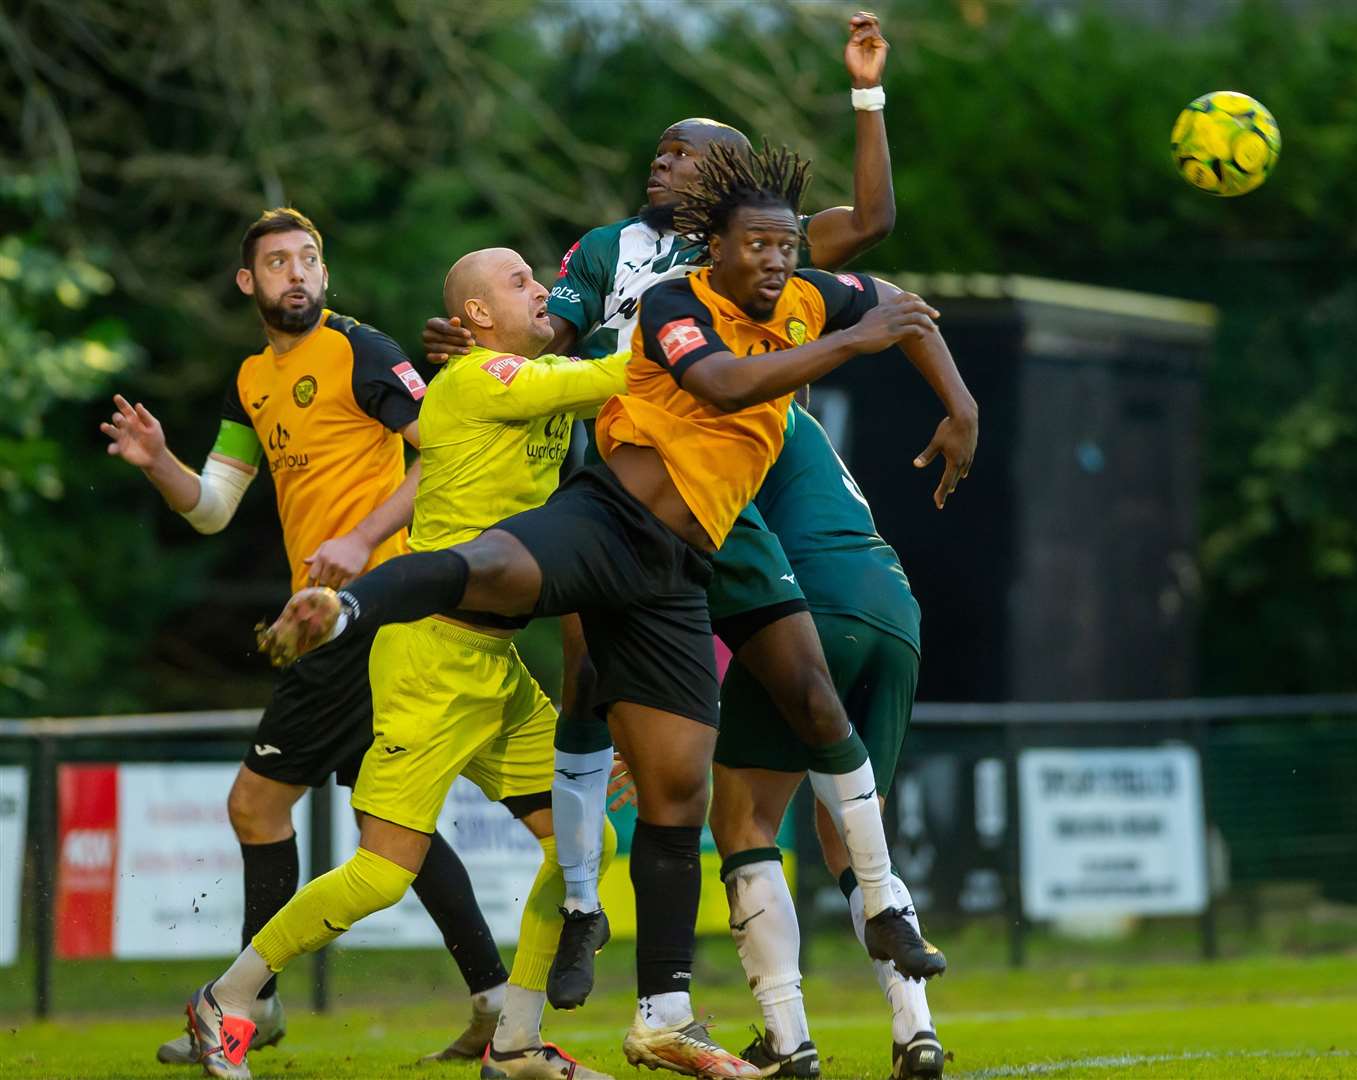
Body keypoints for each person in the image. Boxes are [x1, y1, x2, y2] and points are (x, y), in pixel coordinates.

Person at [258, 139, 974, 1078]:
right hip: (612, 514)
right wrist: (845, 343)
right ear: (709, 246)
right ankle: (348, 612)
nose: (773, 260)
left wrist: (960, 408)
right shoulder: (671, 299)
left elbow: (904, 305)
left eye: (784, 246)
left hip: (686, 563)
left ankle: (676, 1005)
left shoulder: (802, 294)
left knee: (681, 789)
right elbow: (710, 381)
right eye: (755, 246)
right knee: (499, 573)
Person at [421, 12, 928, 1016]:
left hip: (719, 496)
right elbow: (553, 327)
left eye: (681, 152)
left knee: (796, 689)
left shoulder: (760, 245)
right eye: (656, 150)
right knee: (584, 683)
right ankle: (577, 906)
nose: (660, 162)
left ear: (728, 175)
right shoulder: (608, 248)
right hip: (621, 481)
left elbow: (868, 227)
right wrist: (484, 351)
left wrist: (867, 95)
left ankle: (874, 904)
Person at [101, 208, 515, 1068]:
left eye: (309, 259)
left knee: (257, 804)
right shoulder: (251, 380)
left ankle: (248, 1007)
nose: (298, 273)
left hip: (372, 610)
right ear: (248, 283)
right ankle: (493, 1000)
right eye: (279, 262)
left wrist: (366, 542)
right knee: (390, 821)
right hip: (327, 617)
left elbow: (446, 449)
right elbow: (213, 507)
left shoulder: (362, 350)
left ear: (324, 274)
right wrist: (159, 462)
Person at [711, 401, 945, 1078]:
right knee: (850, 822)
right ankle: (916, 1030)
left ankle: (789, 1040)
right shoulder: (795, 414)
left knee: (742, 815)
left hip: (812, 599)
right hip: (894, 603)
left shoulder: (707, 395)